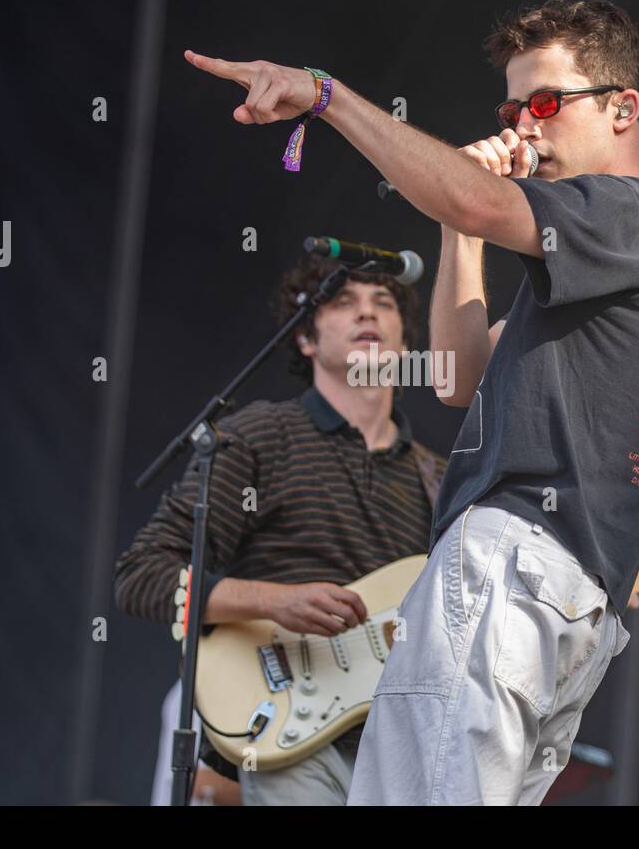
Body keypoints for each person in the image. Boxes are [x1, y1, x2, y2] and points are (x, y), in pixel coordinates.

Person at [184, 0, 639, 805]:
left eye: (545, 102)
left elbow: (472, 200)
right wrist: (461, 230)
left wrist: (324, 96)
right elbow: (457, 378)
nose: (524, 125)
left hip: (515, 567)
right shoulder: (611, 261)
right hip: (564, 605)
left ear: (622, 108)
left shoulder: (635, 215)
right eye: (511, 108)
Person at [114, 254, 447, 805]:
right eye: (344, 302)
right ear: (306, 340)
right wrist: (273, 601)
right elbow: (141, 575)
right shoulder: (258, 437)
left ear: (404, 345)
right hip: (286, 725)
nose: (367, 312)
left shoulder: (440, 479)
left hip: (398, 745)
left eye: (383, 303)